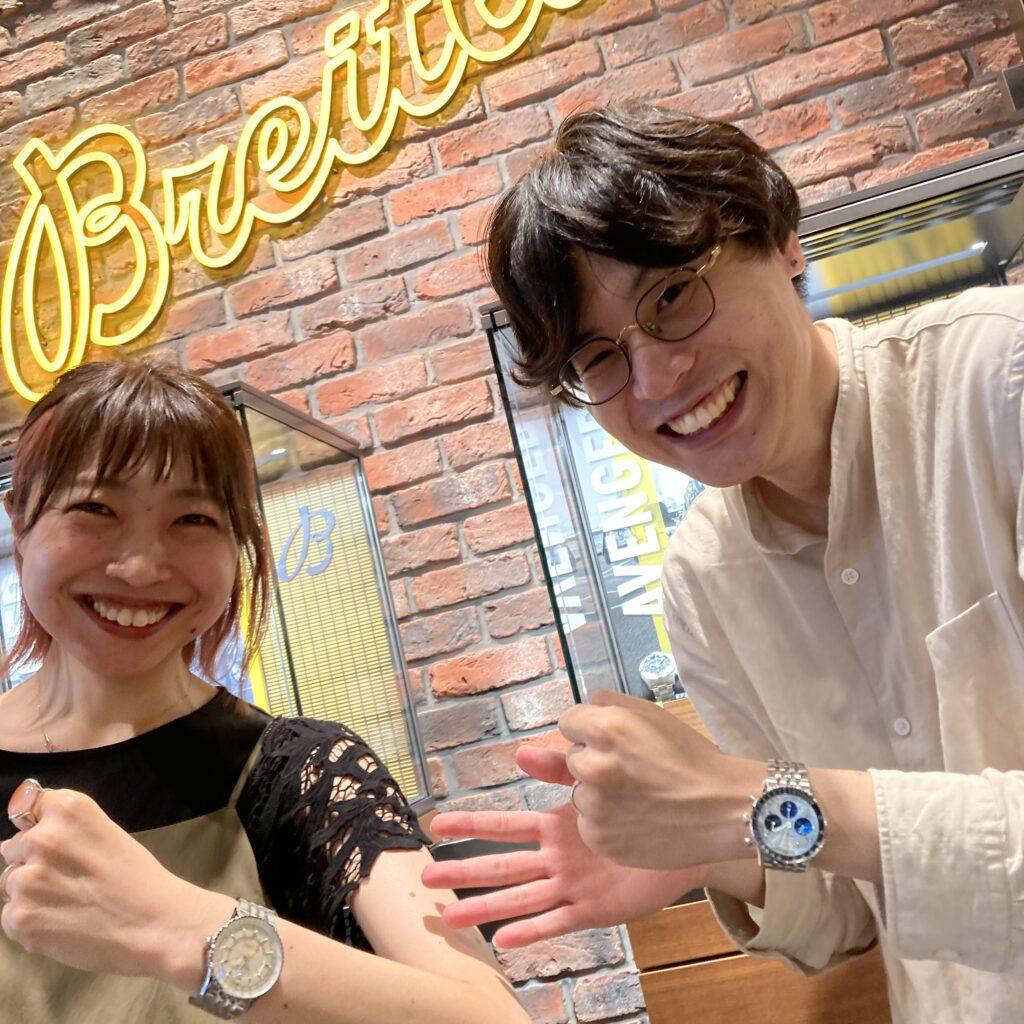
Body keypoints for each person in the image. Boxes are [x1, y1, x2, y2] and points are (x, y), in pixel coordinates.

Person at [420, 104, 1024, 1024]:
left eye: (671, 297)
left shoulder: (1000, 380)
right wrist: (716, 847)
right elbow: (848, 914)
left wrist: (748, 799)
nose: (656, 380)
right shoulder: (703, 584)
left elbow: (803, 813)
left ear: (780, 239)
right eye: (599, 357)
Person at [0, 359, 529, 1024]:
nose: (139, 567)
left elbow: (493, 1016)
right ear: (19, 524)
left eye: (193, 519)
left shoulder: (300, 775)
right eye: (95, 508)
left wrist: (178, 930)